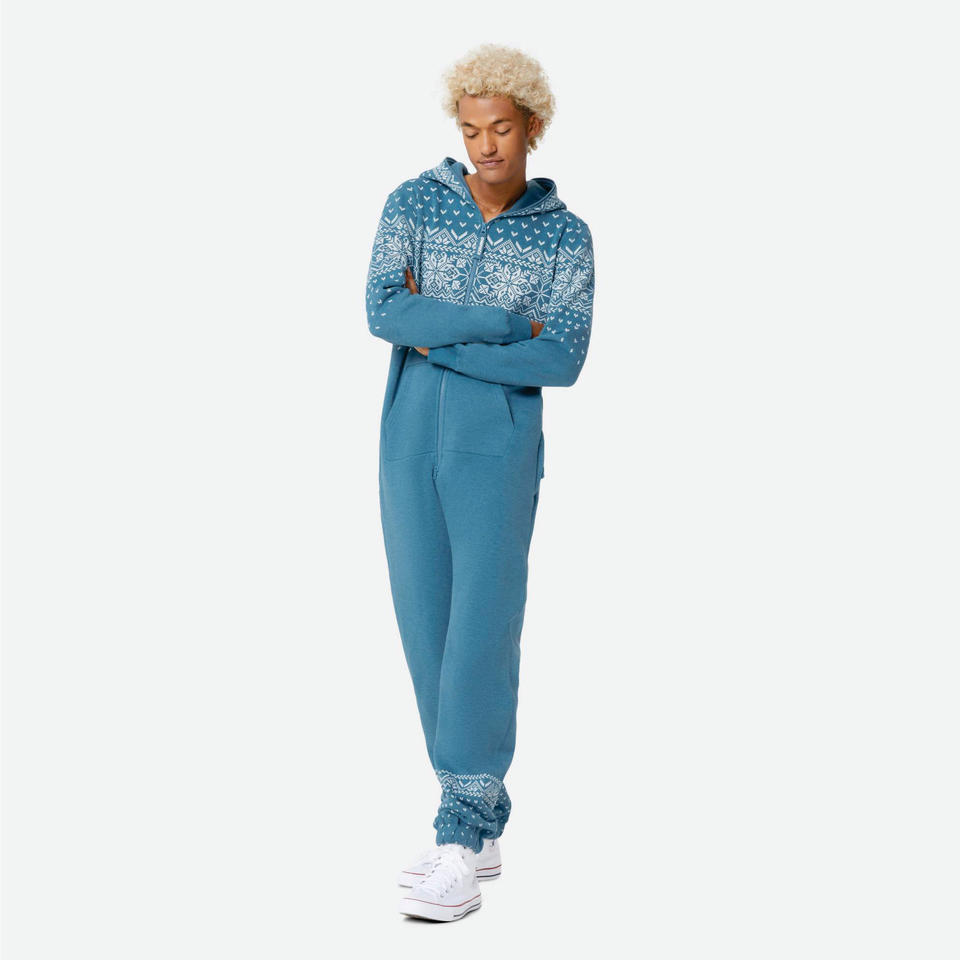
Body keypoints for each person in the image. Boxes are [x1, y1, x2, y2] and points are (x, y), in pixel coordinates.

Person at [363, 43, 596, 922]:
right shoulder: (413, 202)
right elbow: (386, 309)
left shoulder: (565, 235)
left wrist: (441, 337)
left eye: (500, 128)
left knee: (480, 635)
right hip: (406, 442)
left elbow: (561, 356)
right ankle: (479, 815)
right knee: (425, 625)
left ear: (532, 126)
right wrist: (501, 324)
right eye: (470, 130)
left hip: (496, 450)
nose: (485, 146)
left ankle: (458, 839)